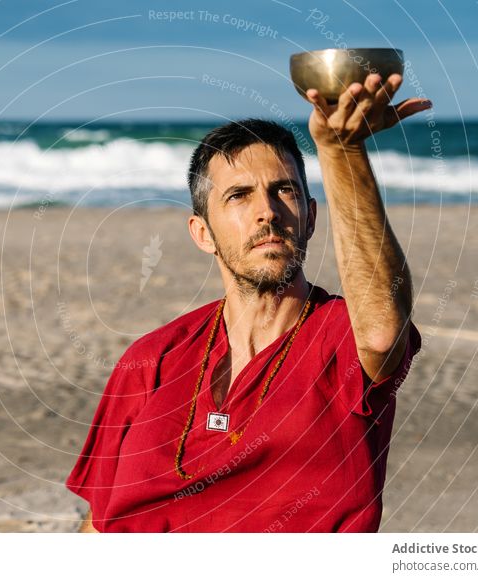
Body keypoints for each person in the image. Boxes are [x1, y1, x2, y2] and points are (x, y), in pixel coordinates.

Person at [66, 73, 431, 532]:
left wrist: (342, 151)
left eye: (285, 190)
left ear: (310, 217)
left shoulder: (343, 335)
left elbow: (381, 332)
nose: (268, 211)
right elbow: (98, 525)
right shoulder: (150, 359)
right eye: (239, 195)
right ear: (203, 233)